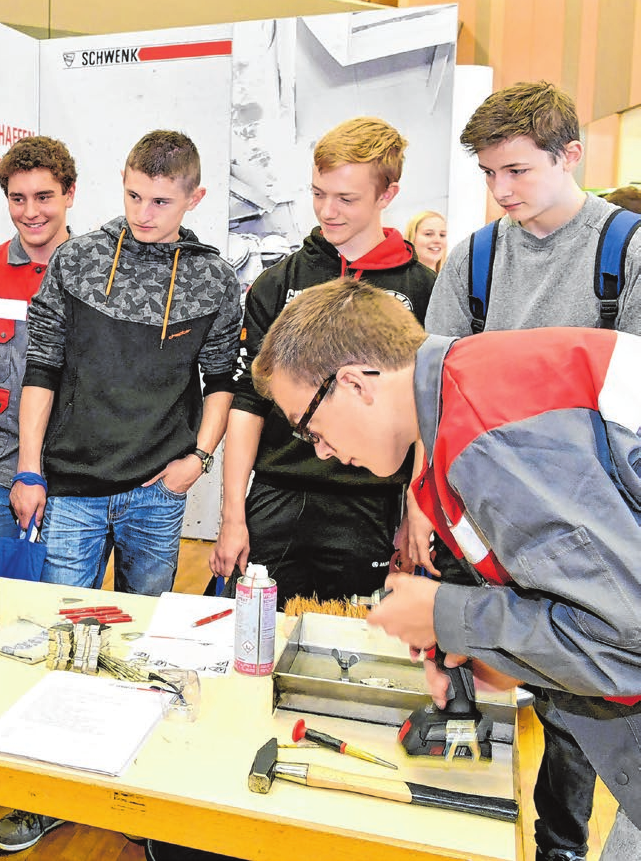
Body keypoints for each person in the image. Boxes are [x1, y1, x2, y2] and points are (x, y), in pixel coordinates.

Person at [250, 276, 641, 861]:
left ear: (354, 384)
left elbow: (625, 642)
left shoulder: (487, 434)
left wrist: (447, 614)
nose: (320, 451)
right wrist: (489, 654)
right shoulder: (474, 387)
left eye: (308, 426)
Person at [0, 130, 240, 854]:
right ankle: (52, 791)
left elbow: (223, 380)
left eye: (160, 200)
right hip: (69, 486)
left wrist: (199, 456)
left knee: (152, 646)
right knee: (69, 638)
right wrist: (30, 470)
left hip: (158, 489)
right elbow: (41, 366)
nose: (143, 212)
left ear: (194, 198)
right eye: (133, 194)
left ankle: (145, 792)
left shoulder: (214, 280)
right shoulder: (76, 258)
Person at [424, 81, 641, 861]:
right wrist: (420, 505)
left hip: (593, 535)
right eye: (488, 174)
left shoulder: (629, 251)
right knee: (467, 685)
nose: (500, 191)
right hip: (481, 524)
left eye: (515, 171)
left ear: (571, 155)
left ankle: (566, 846)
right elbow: (432, 394)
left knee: (583, 715)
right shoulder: (473, 260)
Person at [211, 117, 435, 606]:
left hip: (369, 501)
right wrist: (232, 515)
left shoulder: (423, 290)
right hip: (277, 491)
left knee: (352, 645)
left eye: (346, 199)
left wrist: (417, 508)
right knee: (255, 633)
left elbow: (430, 413)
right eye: (318, 193)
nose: (327, 211)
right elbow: (248, 401)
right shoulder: (277, 282)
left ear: (387, 195)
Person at [0, 135, 77, 540]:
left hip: (75, 477)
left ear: (70, 194)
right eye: (18, 199)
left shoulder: (97, 276)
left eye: (44, 197)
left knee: (64, 600)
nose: (30, 212)